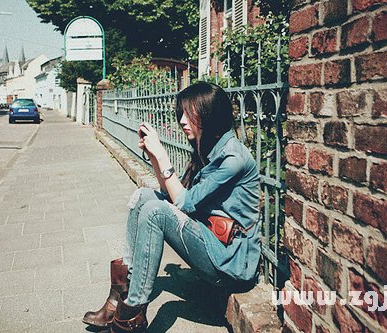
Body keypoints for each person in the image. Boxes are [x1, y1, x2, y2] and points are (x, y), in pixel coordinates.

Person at [83, 82, 262, 333]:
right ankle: (119, 298)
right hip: (209, 238)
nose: (182, 120)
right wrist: (155, 157)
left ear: (210, 114)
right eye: (180, 113)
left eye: (189, 114)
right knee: (143, 196)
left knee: (155, 212)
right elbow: (173, 193)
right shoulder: (210, 147)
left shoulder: (233, 158)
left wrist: (163, 155)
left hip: (230, 261)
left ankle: (131, 317)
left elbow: (184, 203)